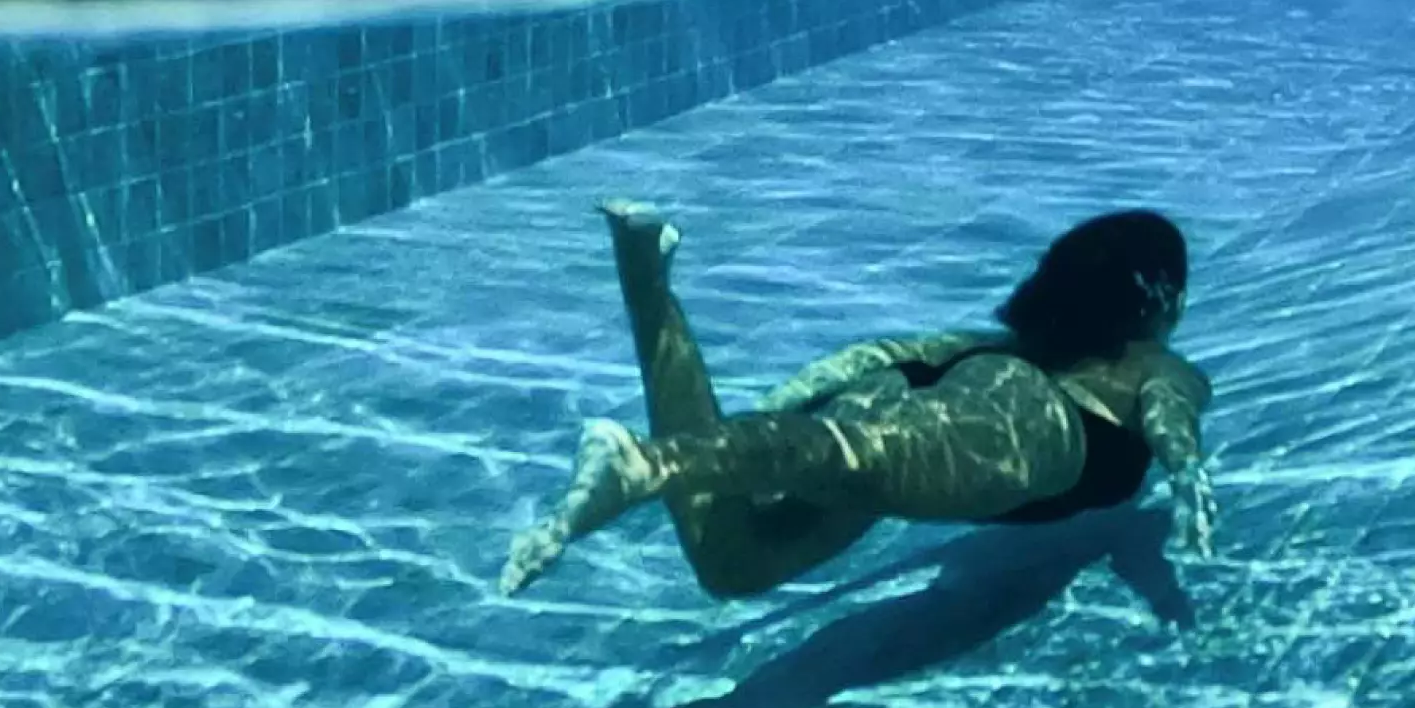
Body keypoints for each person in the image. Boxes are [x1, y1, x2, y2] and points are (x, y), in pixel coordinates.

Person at [497, 203, 1218, 599]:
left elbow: (873, 358)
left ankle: (645, 276)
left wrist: (763, 418)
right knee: (855, 461)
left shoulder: (994, 342)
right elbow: (1167, 413)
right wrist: (1186, 479)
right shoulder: (1151, 361)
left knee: (733, 563)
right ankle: (646, 462)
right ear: (1162, 299)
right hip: (1028, 432)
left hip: (903, 396)